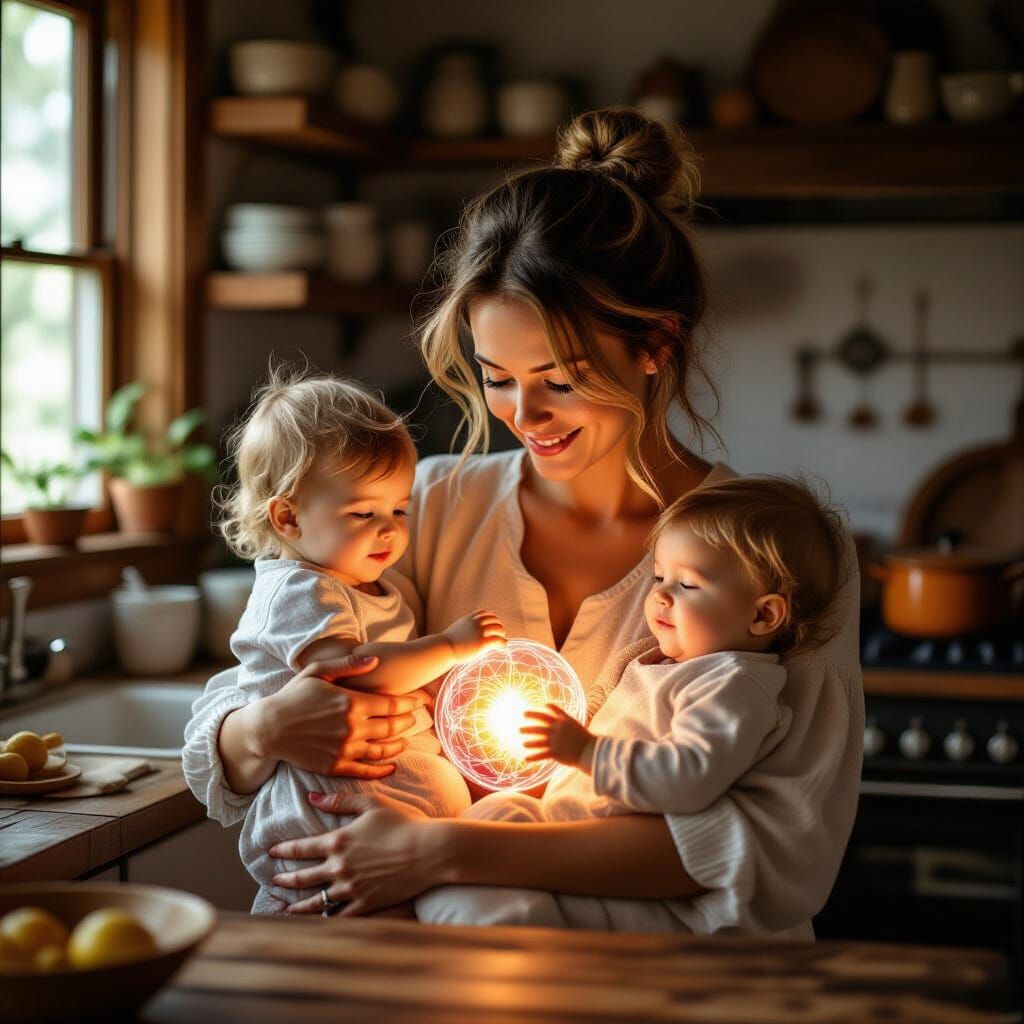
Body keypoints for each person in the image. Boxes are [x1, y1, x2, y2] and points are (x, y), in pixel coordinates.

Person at [184, 107, 863, 936]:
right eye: (497, 376)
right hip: (430, 973)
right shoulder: (423, 508)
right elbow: (247, 696)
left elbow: (781, 841)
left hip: (681, 985)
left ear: (655, 344)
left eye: (562, 378)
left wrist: (444, 851)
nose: (524, 413)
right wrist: (260, 730)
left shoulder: (775, 551)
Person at [413, 476, 846, 930]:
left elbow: (690, 776)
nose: (659, 594)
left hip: (635, 897)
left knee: (473, 900)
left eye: (688, 585)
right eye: (660, 576)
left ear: (763, 615)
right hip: (563, 827)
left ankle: (494, 949)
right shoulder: (658, 661)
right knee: (493, 816)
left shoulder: (734, 686)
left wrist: (586, 752)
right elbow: (601, 708)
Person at [210, 368, 506, 912]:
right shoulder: (299, 589)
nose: (390, 529)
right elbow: (354, 674)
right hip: (326, 817)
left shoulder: (371, 586)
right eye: (363, 513)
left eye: (399, 510)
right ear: (289, 516)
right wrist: (452, 648)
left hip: (385, 835)